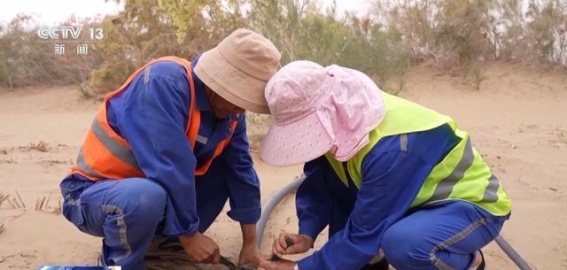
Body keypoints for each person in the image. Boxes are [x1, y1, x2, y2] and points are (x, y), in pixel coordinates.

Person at [59, 28, 281, 270]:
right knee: (146, 197)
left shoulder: (231, 113)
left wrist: (250, 244)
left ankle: (164, 248)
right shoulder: (163, 83)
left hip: (153, 200)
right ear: (219, 83)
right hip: (95, 196)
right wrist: (190, 235)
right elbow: (171, 166)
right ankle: (120, 262)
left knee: (225, 168)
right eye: (240, 99)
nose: (241, 109)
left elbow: (241, 170)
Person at [257, 61, 512, 270]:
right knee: (345, 244)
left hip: (469, 206)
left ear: (326, 113)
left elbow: (363, 233)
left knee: (403, 245)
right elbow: (321, 185)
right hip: (406, 204)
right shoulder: (337, 126)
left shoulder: (390, 147)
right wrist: (307, 234)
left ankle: (468, 264)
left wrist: (299, 269)